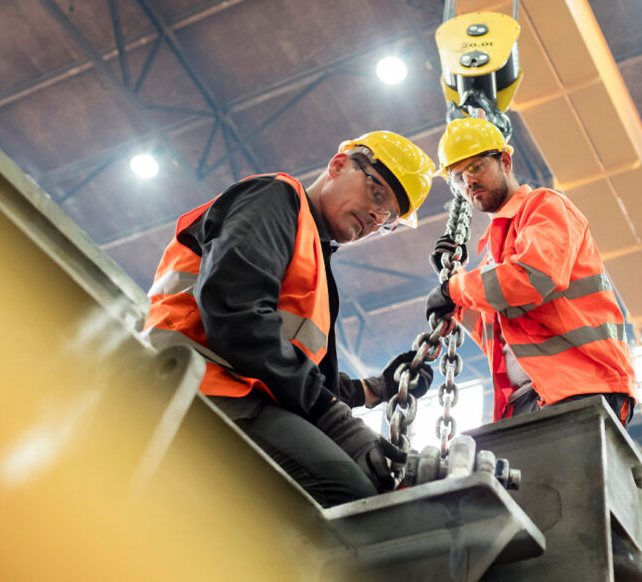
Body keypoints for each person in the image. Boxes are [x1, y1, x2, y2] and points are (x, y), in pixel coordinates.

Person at [142, 131, 435, 507]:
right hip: (198, 382)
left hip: (244, 392)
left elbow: (309, 382)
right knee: (347, 493)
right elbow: (234, 310)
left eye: (389, 218)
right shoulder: (275, 198)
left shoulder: (315, 263)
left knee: (363, 493)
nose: (377, 217)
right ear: (338, 165)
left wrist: (375, 388)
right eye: (377, 194)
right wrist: (335, 421)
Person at [425, 118, 636, 425]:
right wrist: (452, 292)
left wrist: (455, 289)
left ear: (505, 161)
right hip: (531, 398)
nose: (467, 182)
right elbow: (495, 336)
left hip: (583, 386)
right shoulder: (493, 258)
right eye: (457, 177)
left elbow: (533, 277)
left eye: (475, 167)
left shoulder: (544, 207)